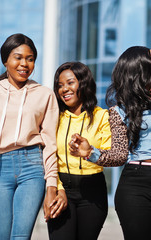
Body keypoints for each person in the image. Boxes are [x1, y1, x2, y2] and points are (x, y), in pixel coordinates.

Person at [69, 46, 151, 240]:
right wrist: (91, 152)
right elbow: (120, 155)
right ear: (140, 68)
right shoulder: (118, 111)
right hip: (134, 184)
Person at [0, 33, 59, 239]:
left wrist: (51, 185)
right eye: (18, 57)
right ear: (5, 60)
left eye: (30, 59)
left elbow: (50, 144)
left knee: (20, 237)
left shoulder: (45, 94)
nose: (24, 63)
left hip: (32, 168)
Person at [46, 62, 111, 240]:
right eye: (60, 85)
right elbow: (47, 154)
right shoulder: (53, 117)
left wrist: (90, 151)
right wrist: (57, 188)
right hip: (61, 187)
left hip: (93, 191)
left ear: (84, 83)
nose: (64, 89)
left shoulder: (102, 116)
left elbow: (111, 155)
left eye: (70, 83)